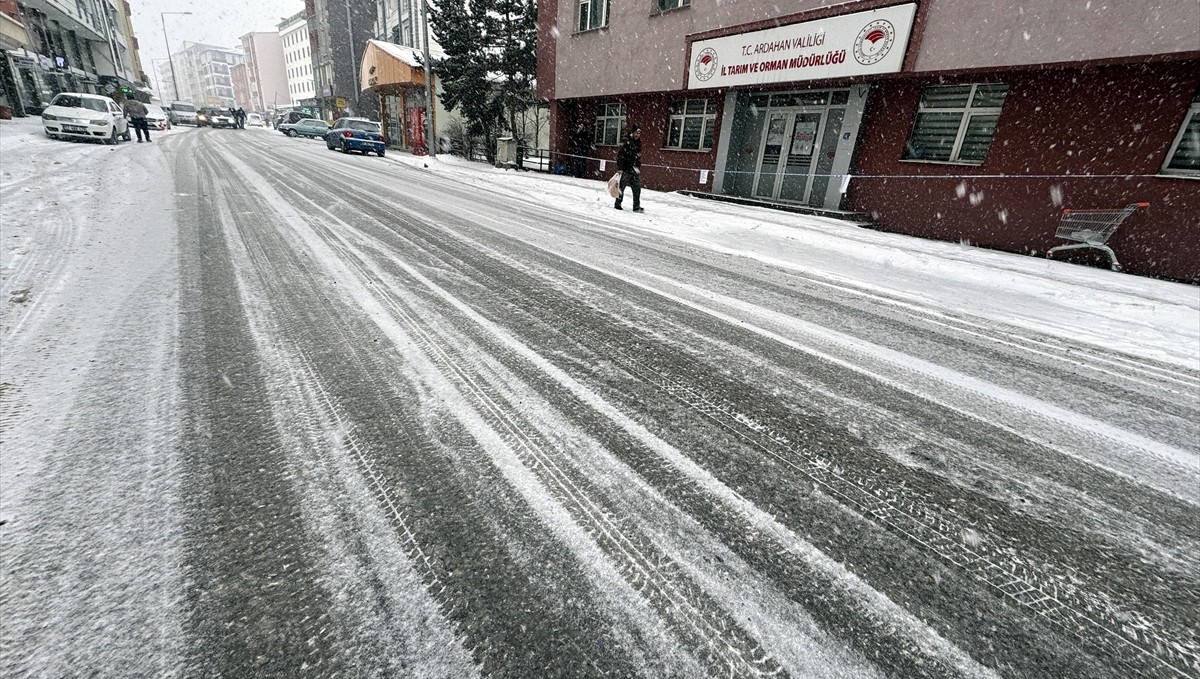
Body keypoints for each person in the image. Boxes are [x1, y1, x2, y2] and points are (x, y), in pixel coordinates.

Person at [615, 123, 643, 212]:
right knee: (621, 187)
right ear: (633, 132)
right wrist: (620, 168)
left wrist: (638, 166)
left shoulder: (638, 143)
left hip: (634, 169)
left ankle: (636, 206)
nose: (638, 135)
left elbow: (638, 156)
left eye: (639, 133)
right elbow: (620, 156)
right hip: (625, 168)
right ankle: (618, 204)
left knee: (637, 187)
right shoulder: (626, 141)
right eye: (636, 133)